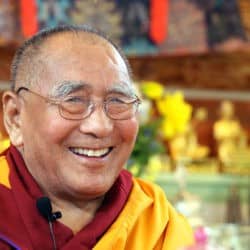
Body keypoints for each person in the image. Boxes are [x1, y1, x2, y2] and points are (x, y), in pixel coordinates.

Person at [0, 25, 194, 250]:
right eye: (73, 101)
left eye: (118, 101)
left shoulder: (155, 223)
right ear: (15, 117)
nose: (100, 126)